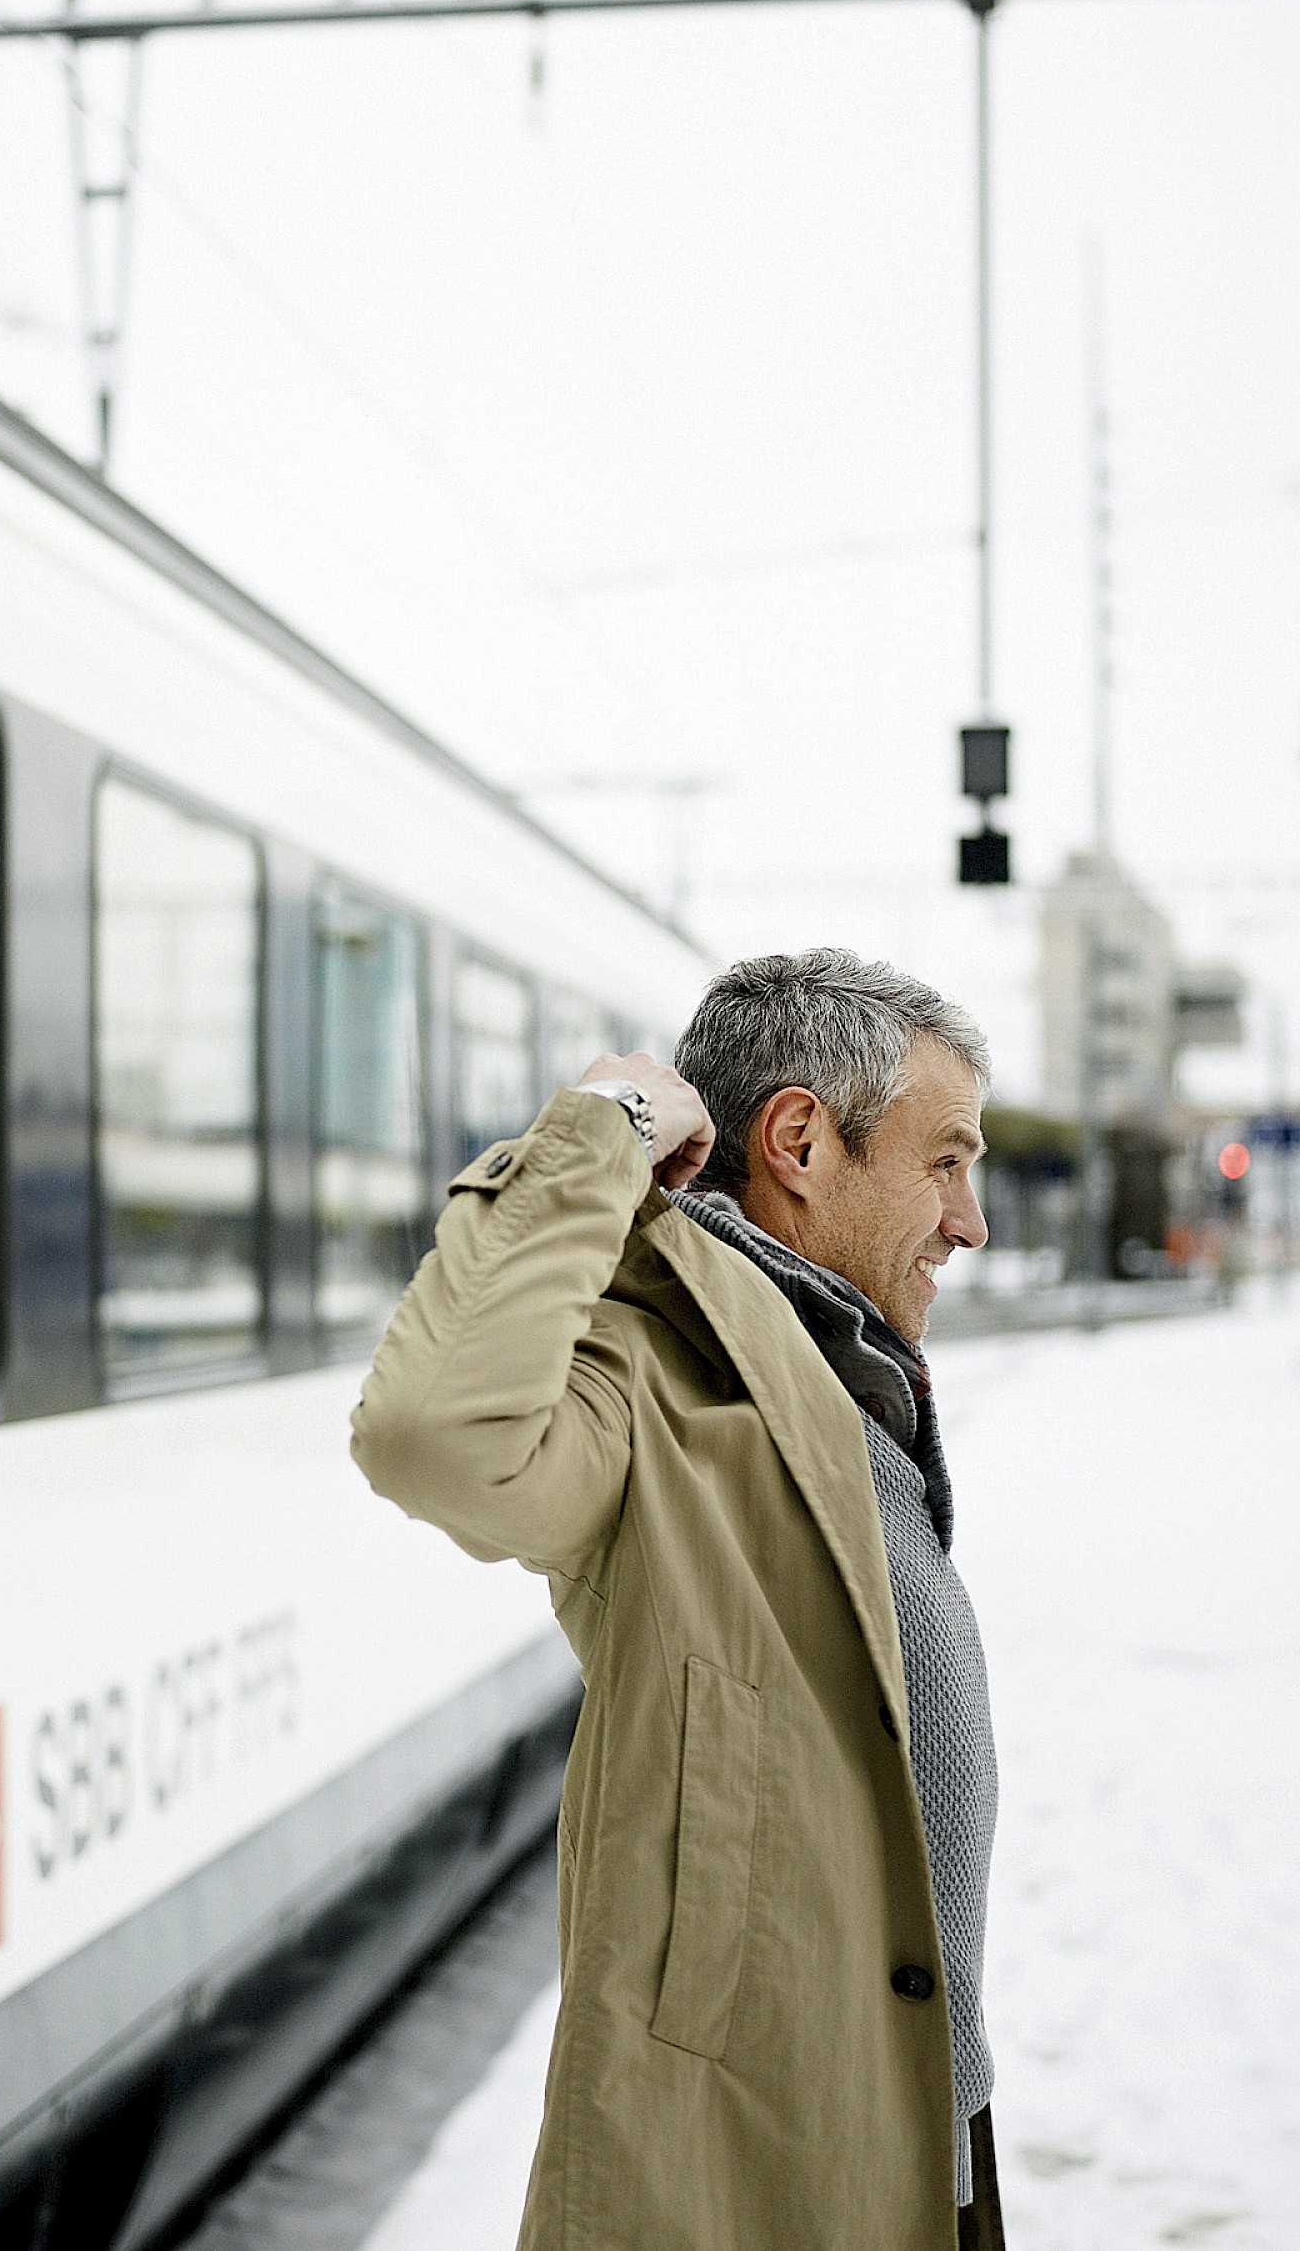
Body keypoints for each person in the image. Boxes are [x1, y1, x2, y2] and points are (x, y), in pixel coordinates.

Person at [351, 949, 1003, 2251]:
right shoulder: (646, 1375)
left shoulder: (838, 1378)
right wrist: (601, 1133)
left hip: (919, 2147)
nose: (970, 1222)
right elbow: (433, 1433)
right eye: (945, 1163)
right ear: (802, 1140)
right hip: (745, 2182)